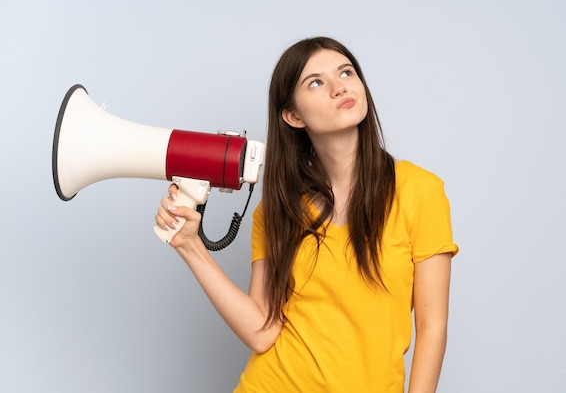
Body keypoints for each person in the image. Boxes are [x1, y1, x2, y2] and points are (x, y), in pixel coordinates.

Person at [155, 36, 459, 392]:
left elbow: (432, 329)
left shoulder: (420, 191)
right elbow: (262, 331)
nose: (338, 87)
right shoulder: (278, 208)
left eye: (346, 72)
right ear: (293, 115)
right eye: (316, 82)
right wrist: (190, 246)